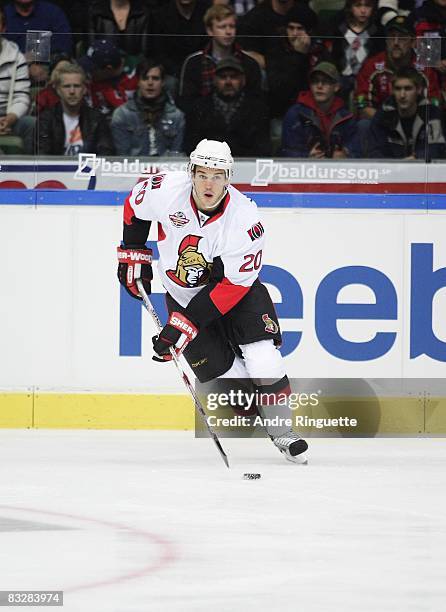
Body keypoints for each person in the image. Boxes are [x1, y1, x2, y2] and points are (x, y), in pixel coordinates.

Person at [116, 138, 309, 464]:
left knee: (262, 356)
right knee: (234, 391)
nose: (209, 183)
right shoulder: (166, 188)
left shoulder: (245, 219)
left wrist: (182, 326)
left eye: (217, 175)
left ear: (228, 178)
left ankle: (283, 431)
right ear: (191, 172)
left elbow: (231, 286)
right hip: (182, 294)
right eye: (202, 174)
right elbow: (134, 207)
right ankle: (258, 405)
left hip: (238, 293)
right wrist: (132, 255)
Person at [178, 3, 262, 115]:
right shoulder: (194, 62)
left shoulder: (249, 63)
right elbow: (187, 103)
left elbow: (255, 103)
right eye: (222, 27)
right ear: (210, 31)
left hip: (241, 122)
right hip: (204, 122)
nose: (228, 32)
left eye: (232, 26)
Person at [355, 15, 441, 119]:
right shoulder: (372, 65)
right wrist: (388, 122)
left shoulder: (424, 67)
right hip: (380, 122)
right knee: (363, 125)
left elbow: (434, 103)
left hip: (416, 123)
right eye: (392, 37)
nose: (395, 43)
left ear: (413, 42)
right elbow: (362, 104)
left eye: (402, 38)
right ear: (386, 41)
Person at [184, 57, 271, 156]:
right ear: (214, 80)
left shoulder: (258, 109)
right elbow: (191, 147)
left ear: (243, 80)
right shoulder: (198, 108)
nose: (228, 82)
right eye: (223, 77)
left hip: (248, 166)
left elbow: (263, 149)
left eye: (233, 77)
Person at [281, 61, 359, 158]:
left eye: (325, 81)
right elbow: (287, 152)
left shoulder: (346, 117)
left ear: (336, 87)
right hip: (303, 171)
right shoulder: (296, 114)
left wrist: (345, 155)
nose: (319, 86)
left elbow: (356, 151)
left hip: (338, 170)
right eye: (315, 81)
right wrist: (306, 157)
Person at [367, 67, 446, 159]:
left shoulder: (431, 113)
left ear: (419, 89)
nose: (402, 95)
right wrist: (397, 166)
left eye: (408, 89)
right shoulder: (383, 114)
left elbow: (435, 148)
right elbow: (374, 151)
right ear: (392, 90)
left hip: (422, 169)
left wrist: (415, 159)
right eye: (398, 89)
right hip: (391, 170)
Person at [37, 63, 115, 155]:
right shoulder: (46, 119)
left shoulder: (97, 119)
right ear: (58, 90)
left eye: (77, 86)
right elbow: (42, 157)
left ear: (84, 89)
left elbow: (105, 154)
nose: (72, 91)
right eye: (66, 86)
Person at [111, 59, 185, 156]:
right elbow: (122, 156)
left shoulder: (176, 116)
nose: (150, 83)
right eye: (145, 78)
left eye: (155, 78)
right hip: (132, 169)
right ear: (138, 82)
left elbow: (176, 155)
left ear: (162, 82)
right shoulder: (122, 114)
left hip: (166, 169)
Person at [265, 4, 319, 119]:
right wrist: (298, 55)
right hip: (283, 112)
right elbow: (279, 89)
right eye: (291, 28)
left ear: (309, 31)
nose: (294, 34)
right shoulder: (276, 50)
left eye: (299, 28)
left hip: (314, 110)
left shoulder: (319, 51)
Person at [0, 5, 34, 154]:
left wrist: (9, 119)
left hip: (7, 118)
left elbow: (21, 96)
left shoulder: (16, 57)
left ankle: (30, 173)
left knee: (32, 124)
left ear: (3, 28)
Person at [78, 39, 138, 118]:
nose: (89, 72)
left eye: (93, 69)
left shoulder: (137, 76)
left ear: (108, 69)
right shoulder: (90, 80)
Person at [87, 0, 152, 58]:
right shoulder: (95, 12)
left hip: (136, 68)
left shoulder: (143, 13)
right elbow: (91, 51)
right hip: (103, 67)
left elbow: (146, 53)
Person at [3, 0, 72, 55]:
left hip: (50, 65)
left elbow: (64, 46)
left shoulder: (53, 13)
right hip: (11, 65)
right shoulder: (3, 15)